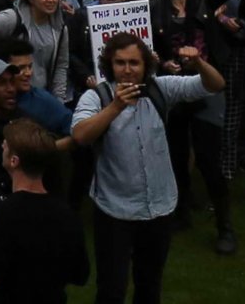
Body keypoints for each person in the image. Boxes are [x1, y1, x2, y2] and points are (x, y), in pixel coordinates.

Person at [71, 33, 226, 304]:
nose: (128, 70)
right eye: (120, 63)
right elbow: (81, 136)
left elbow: (215, 85)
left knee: (150, 285)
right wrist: (117, 106)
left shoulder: (160, 88)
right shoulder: (97, 97)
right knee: (111, 289)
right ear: (110, 65)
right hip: (115, 210)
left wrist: (199, 63)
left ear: (145, 66)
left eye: (134, 63)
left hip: (158, 207)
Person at [0, 123, 84, 304]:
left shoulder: (3, 213)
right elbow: (80, 274)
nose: (1, 146)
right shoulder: (67, 214)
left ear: (14, 161)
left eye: (5, 144)